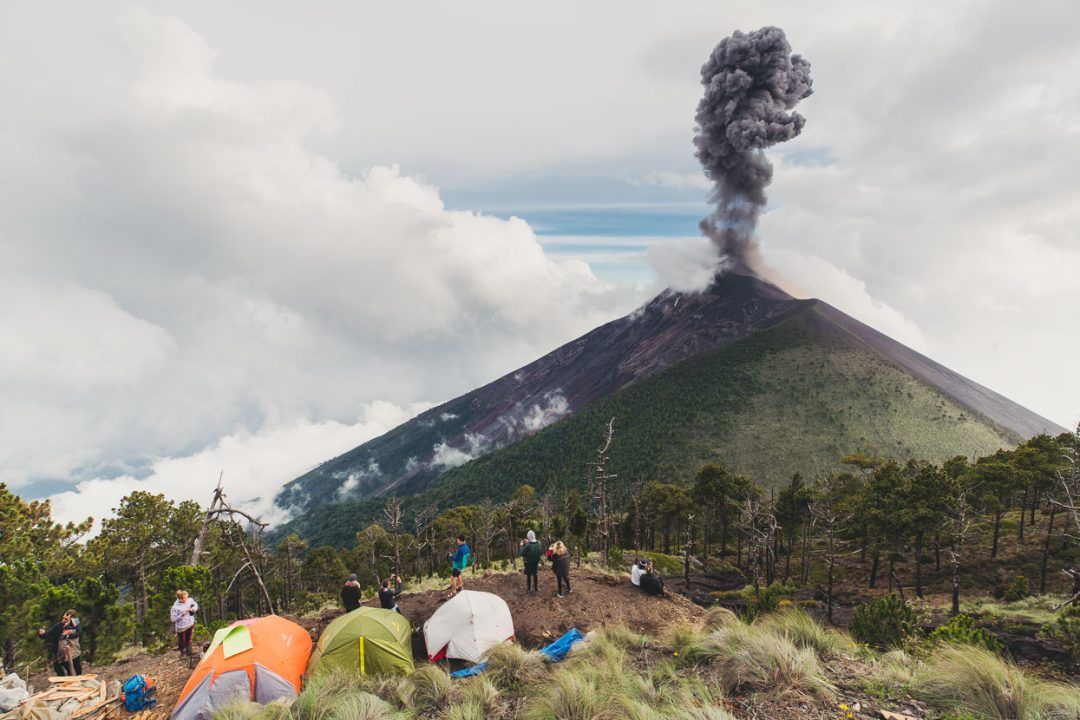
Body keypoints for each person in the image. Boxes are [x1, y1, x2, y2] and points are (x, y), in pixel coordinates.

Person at [39, 610, 83, 676]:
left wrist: (68, 634)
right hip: (57, 650)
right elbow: (46, 635)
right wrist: (42, 634)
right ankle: (63, 680)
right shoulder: (58, 626)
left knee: (76, 666)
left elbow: (79, 633)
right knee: (57, 667)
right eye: (64, 618)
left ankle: (78, 678)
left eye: (67, 618)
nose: (64, 620)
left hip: (72, 649)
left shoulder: (75, 624)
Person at [171, 590, 199, 657]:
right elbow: (172, 619)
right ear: (179, 598)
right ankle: (182, 653)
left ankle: (188, 651)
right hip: (181, 627)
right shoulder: (175, 607)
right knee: (182, 640)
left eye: (186, 597)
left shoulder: (189, 600)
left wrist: (192, 609)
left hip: (190, 623)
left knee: (189, 638)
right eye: (184, 598)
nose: (186, 599)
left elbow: (196, 605)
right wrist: (181, 615)